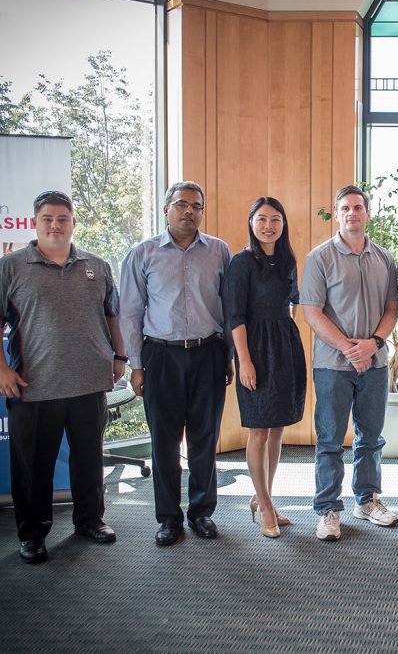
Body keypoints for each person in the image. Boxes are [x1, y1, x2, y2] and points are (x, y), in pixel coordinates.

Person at [0, 190, 125, 563]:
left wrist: (120, 356)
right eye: (47, 219)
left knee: (88, 459)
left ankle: (90, 520)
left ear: (73, 222)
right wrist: (2, 368)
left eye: (62, 219)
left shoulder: (96, 266)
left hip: (89, 381)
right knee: (33, 466)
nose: (55, 225)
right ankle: (33, 534)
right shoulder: (11, 266)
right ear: (34, 223)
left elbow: (112, 315)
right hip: (34, 385)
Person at [120, 181, 232, 547]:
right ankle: (168, 518)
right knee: (164, 443)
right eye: (181, 204)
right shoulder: (143, 253)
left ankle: (201, 512)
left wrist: (229, 355)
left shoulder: (219, 251)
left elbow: (230, 308)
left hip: (208, 353)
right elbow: (131, 313)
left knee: (204, 438)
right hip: (161, 356)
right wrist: (136, 365)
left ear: (202, 210)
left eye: (196, 206)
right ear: (167, 208)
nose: (189, 211)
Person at [301, 185, 398, 540]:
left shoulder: (385, 258)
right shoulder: (320, 257)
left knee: (371, 437)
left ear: (368, 214)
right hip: (333, 365)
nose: (352, 213)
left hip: (374, 363)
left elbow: (392, 308)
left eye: (358, 207)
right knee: (329, 439)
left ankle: (367, 499)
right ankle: (327, 509)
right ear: (337, 213)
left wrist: (372, 344)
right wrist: (348, 348)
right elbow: (311, 312)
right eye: (345, 208)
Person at [224, 197, 307, 539]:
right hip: (254, 347)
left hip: (284, 345)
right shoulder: (241, 262)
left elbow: (293, 301)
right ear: (251, 222)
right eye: (262, 219)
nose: (269, 225)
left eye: (275, 219)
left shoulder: (287, 259)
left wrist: (287, 331)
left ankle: (264, 499)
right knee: (259, 430)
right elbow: (234, 316)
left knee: (278, 429)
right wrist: (244, 361)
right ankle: (265, 505)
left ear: (283, 224)